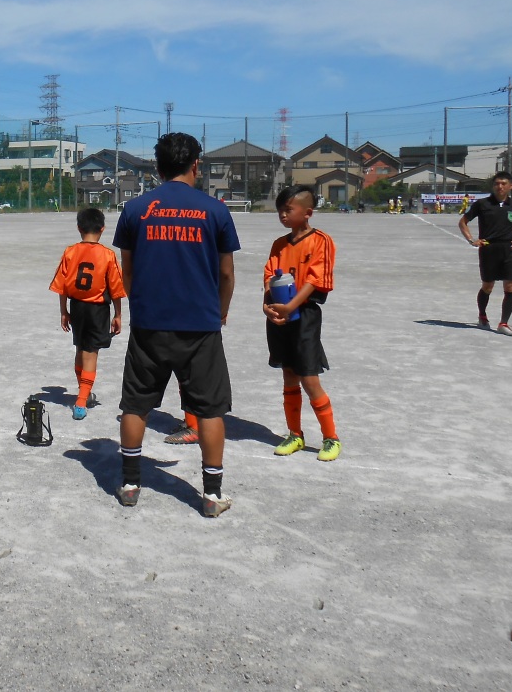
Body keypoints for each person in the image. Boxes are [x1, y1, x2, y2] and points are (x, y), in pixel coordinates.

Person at [111, 132, 239, 517]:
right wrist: (219, 310)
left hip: (149, 324)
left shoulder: (136, 209)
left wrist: (142, 305)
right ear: (196, 165)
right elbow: (227, 274)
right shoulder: (215, 210)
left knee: (136, 405)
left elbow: (127, 270)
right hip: (200, 325)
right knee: (210, 409)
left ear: (157, 167)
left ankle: (130, 484)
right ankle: (212, 494)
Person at [262, 185, 341, 462]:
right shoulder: (279, 244)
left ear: (308, 212)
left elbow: (315, 280)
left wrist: (291, 306)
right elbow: (269, 276)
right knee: (288, 374)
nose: (283, 215)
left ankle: (331, 438)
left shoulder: (321, 241)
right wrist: (267, 305)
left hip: (303, 315)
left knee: (309, 377)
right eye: (280, 211)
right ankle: (295, 434)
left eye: (288, 210)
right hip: (280, 315)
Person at [49, 207, 125, 419]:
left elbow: (62, 285)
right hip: (97, 309)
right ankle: (81, 402)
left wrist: (64, 311)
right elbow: (116, 288)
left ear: (79, 228)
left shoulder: (70, 252)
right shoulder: (108, 255)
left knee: (80, 349)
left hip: (77, 307)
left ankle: (84, 392)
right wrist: (118, 314)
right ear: (102, 229)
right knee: (91, 353)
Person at [458, 172, 512, 336]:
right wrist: (471, 240)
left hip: (509, 249)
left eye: (503, 183)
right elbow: (463, 222)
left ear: (511, 186)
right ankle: (482, 316)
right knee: (488, 286)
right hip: (489, 248)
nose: (500, 186)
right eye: (497, 183)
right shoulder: (482, 204)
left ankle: (503, 323)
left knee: (510, 286)